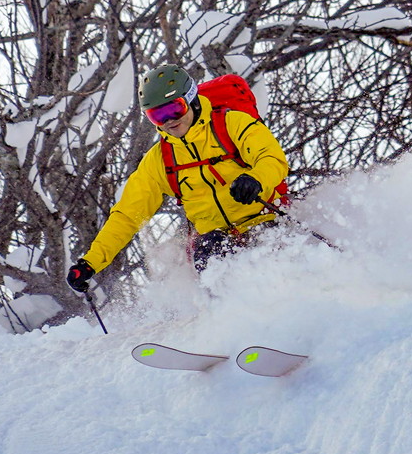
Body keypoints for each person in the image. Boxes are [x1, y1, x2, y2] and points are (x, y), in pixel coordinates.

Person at [66, 64, 289, 293]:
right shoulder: (161, 160)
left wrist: (256, 179)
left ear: (191, 99)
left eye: (174, 109)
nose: (168, 121)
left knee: (270, 252)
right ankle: (230, 311)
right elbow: (127, 215)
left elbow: (271, 158)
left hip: (265, 218)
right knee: (207, 253)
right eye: (157, 115)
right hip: (216, 240)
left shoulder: (232, 124)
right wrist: (90, 263)